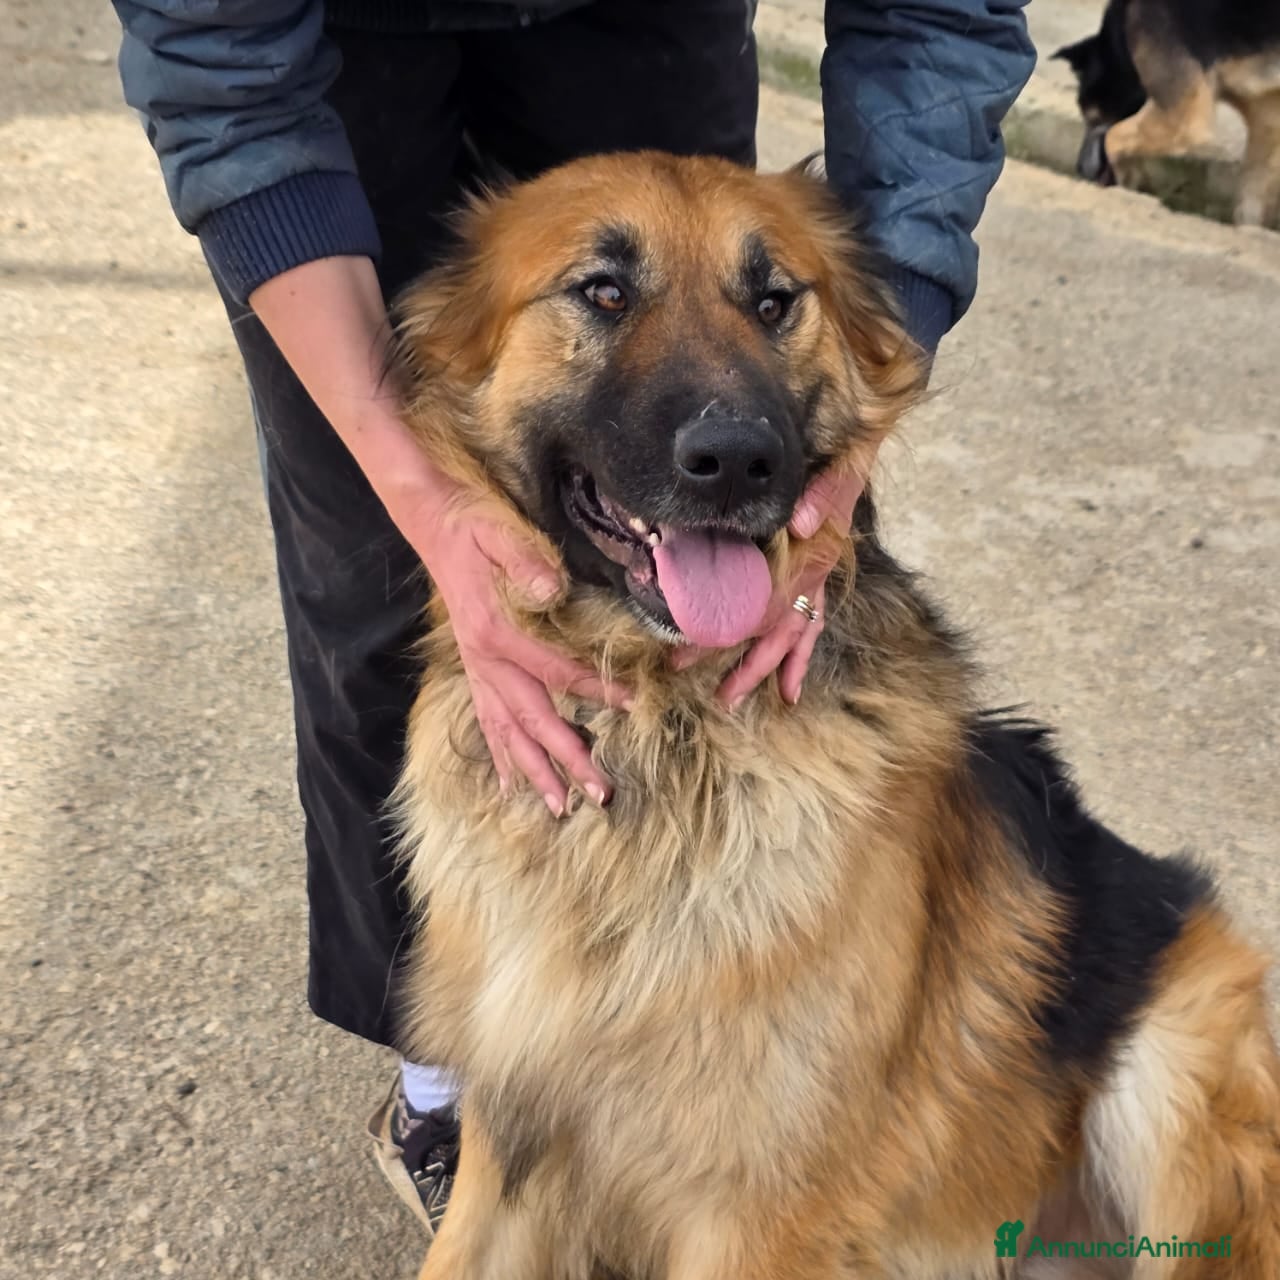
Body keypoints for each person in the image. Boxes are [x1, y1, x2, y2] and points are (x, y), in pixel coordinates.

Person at [112, 0, 1034, 1240]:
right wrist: (419, 499)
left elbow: (939, 19)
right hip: (333, 42)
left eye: (769, 310)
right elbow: (222, 72)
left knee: (702, 290)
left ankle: (700, 1068)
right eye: (602, 295)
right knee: (374, 589)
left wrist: (874, 364)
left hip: (628, 16)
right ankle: (456, 1090)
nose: (727, 427)